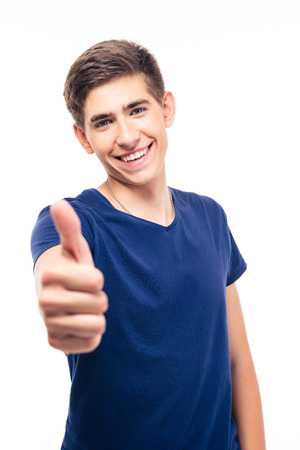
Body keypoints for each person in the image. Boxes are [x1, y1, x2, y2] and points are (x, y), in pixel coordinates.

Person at [31, 40, 265, 449]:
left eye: (137, 110)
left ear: (166, 108)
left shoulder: (211, 216)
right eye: (103, 122)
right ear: (83, 137)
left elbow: (238, 359)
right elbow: (56, 270)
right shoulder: (72, 222)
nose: (126, 135)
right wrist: (63, 296)